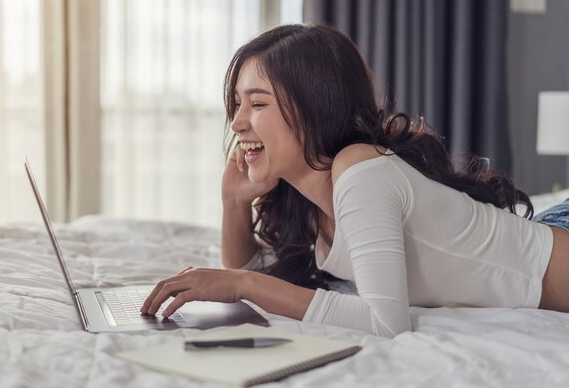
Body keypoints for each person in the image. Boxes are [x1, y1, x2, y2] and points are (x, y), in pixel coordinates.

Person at [141, 23, 569, 337]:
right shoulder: (313, 203)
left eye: (257, 104)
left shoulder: (360, 169)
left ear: (314, 108)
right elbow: (255, 269)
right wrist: (233, 203)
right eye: (236, 104)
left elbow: (385, 323)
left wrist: (241, 286)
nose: (236, 122)